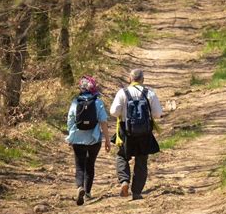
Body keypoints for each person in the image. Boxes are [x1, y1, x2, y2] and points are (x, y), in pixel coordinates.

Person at [110, 69, 162, 200]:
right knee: (141, 161)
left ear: (130, 79)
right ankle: (137, 192)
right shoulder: (149, 93)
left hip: (126, 132)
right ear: (142, 79)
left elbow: (113, 112)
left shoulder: (122, 93)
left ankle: (124, 181)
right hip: (144, 133)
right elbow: (157, 114)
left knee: (122, 156)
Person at [66, 76, 111, 206]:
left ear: (81, 88)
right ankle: (87, 192)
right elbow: (103, 122)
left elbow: (70, 121)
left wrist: (71, 136)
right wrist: (107, 140)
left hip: (78, 140)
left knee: (79, 165)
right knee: (90, 165)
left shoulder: (75, 102)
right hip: (94, 139)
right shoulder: (98, 102)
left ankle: (79, 186)